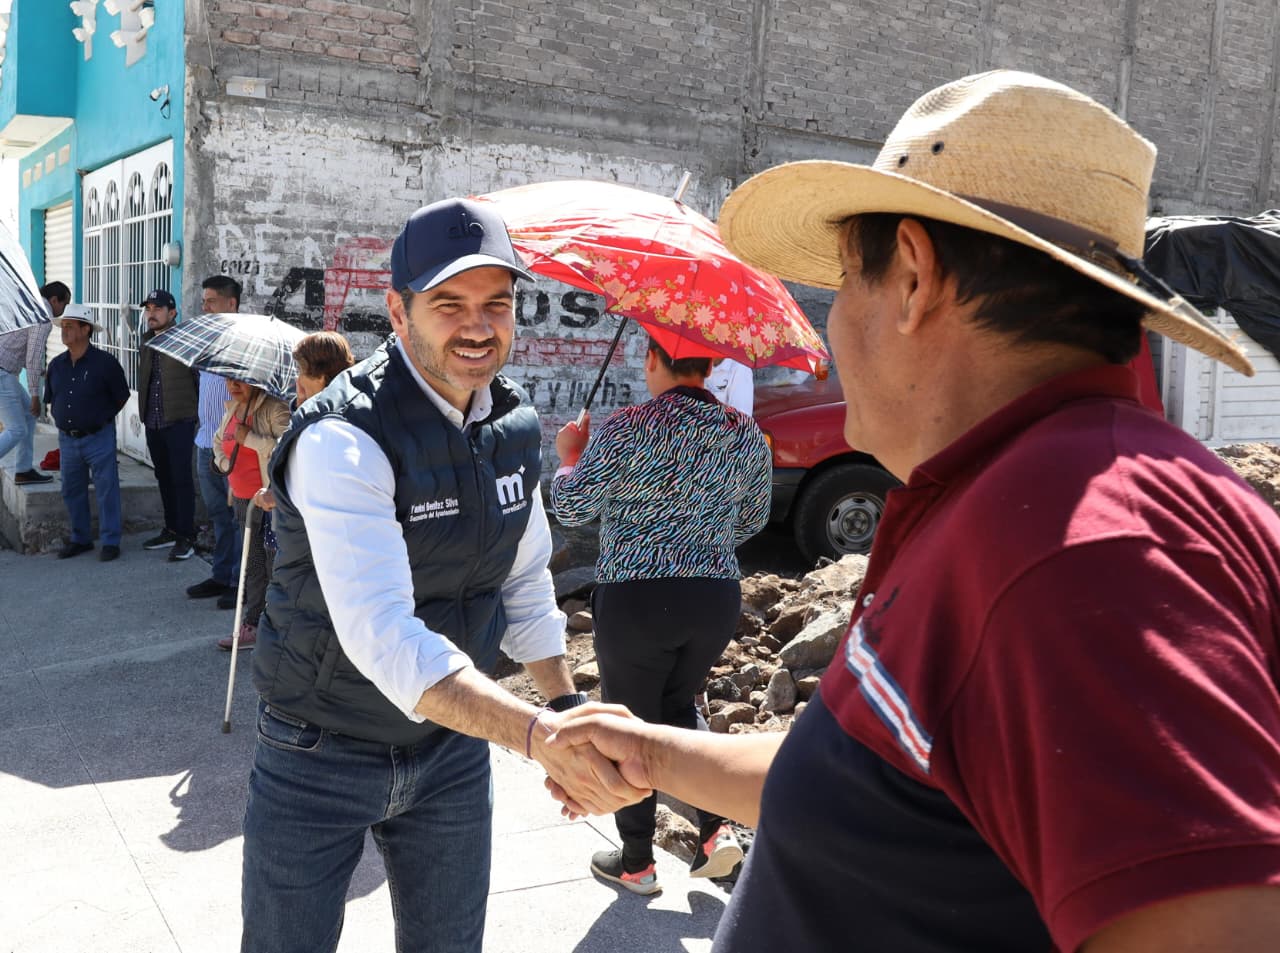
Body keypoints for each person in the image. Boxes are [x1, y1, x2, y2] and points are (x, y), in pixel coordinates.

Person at [547, 71, 1280, 952]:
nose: (831, 333)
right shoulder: (1022, 500)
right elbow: (887, 769)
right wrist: (656, 756)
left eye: (845, 284)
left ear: (913, 278)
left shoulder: (1079, 546)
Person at [240, 197, 645, 953]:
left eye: (497, 302)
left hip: (451, 751)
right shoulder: (344, 438)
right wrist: (537, 734)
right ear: (398, 310)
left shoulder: (513, 428)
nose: (477, 325)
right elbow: (386, 637)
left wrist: (566, 707)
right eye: (449, 303)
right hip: (318, 749)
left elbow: (524, 581)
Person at [550, 337, 771, 894]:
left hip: (637, 598)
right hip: (714, 597)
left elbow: (573, 508)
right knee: (678, 705)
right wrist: (702, 532)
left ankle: (636, 863)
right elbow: (751, 520)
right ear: (715, 364)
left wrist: (568, 458)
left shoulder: (625, 427)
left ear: (651, 359)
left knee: (627, 721)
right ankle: (717, 831)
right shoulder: (743, 432)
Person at [43, 304, 129, 561]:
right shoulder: (57, 365)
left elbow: (121, 398)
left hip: (99, 436)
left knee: (106, 489)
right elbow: (52, 397)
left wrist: (99, 418)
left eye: (70, 326)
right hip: (67, 439)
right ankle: (81, 539)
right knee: (71, 489)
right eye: (63, 326)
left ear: (85, 329)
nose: (64, 331)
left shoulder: (105, 363)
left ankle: (111, 541)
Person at [212, 378, 289, 651]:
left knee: (273, 565)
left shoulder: (274, 409)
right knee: (253, 566)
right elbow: (218, 443)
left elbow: (286, 448)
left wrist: (251, 439)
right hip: (244, 499)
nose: (233, 385)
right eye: (229, 380)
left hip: (270, 502)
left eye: (240, 381)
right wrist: (228, 471)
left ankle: (277, 627)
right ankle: (253, 624)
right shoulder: (232, 409)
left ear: (256, 381)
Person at [187, 275, 244, 609]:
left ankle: (240, 582)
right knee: (217, 516)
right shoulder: (208, 343)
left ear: (231, 304)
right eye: (204, 300)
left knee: (237, 518)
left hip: (231, 448)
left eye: (210, 301)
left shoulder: (242, 345)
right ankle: (221, 574)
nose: (204, 306)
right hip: (205, 441)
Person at [136, 289, 200, 561]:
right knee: (163, 476)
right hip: (154, 421)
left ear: (172, 313)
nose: (151, 313)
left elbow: (199, 381)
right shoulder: (147, 341)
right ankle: (171, 529)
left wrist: (197, 416)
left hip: (179, 421)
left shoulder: (186, 341)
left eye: (157, 308)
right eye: (148, 308)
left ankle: (187, 535)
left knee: (181, 479)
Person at [0, 284, 59, 485]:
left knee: (28, 416)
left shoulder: (25, 304)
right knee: (16, 429)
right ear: (54, 300)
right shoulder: (43, 316)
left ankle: (23, 471)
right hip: (2, 373)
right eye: (64, 303)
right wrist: (36, 395)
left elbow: (19, 348)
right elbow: (33, 357)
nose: (64, 310)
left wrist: (40, 372)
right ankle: (23, 470)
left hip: (5, 370)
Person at [292, 330, 355, 404]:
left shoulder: (321, 413)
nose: (298, 379)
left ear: (320, 376)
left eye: (300, 370)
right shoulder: (355, 404)